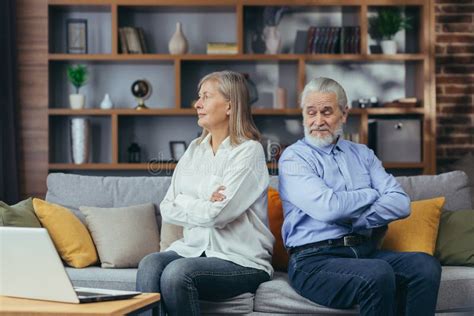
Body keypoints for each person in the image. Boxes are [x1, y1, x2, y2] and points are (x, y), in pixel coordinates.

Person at [278, 77, 441, 316]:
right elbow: (329, 208)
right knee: (377, 273)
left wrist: (354, 219)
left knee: (425, 266)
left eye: (326, 112)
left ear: (344, 114)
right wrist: (371, 194)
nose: (318, 121)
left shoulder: (363, 154)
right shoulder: (294, 158)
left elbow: (401, 203)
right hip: (313, 261)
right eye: (311, 113)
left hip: (364, 252)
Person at [136, 71, 274, 316]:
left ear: (230, 105)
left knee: (177, 273)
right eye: (199, 97)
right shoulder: (194, 149)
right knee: (149, 265)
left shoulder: (248, 152)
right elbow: (168, 208)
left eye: (206, 97)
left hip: (242, 260)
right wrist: (201, 199)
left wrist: (186, 201)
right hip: (194, 250)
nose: (197, 104)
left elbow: (217, 216)